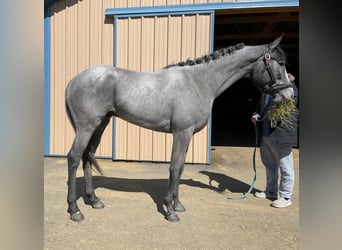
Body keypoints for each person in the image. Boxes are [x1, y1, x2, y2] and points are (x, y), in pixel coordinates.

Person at [251, 73, 298, 208]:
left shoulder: (290, 90)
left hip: (281, 135)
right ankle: (271, 191)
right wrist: (256, 114)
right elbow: (261, 106)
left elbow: (289, 105)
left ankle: (285, 196)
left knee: (285, 166)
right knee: (269, 165)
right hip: (266, 134)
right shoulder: (268, 90)